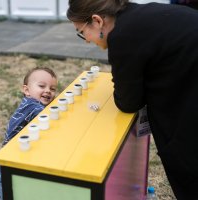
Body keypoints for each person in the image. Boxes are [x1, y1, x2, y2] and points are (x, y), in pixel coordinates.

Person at [67, 0, 198, 199]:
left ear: (97, 21)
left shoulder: (122, 36)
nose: (85, 40)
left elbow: (128, 102)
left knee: (185, 159)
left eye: (81, 32)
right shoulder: (135, 13)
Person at [0, 67, 58, 200]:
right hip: (9, 168)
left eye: (52, 89)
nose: (48, 91)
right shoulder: (34, 107)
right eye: (42, 86)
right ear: (26, 90)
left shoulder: (32, 103)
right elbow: (50, 118)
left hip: (13, 163)